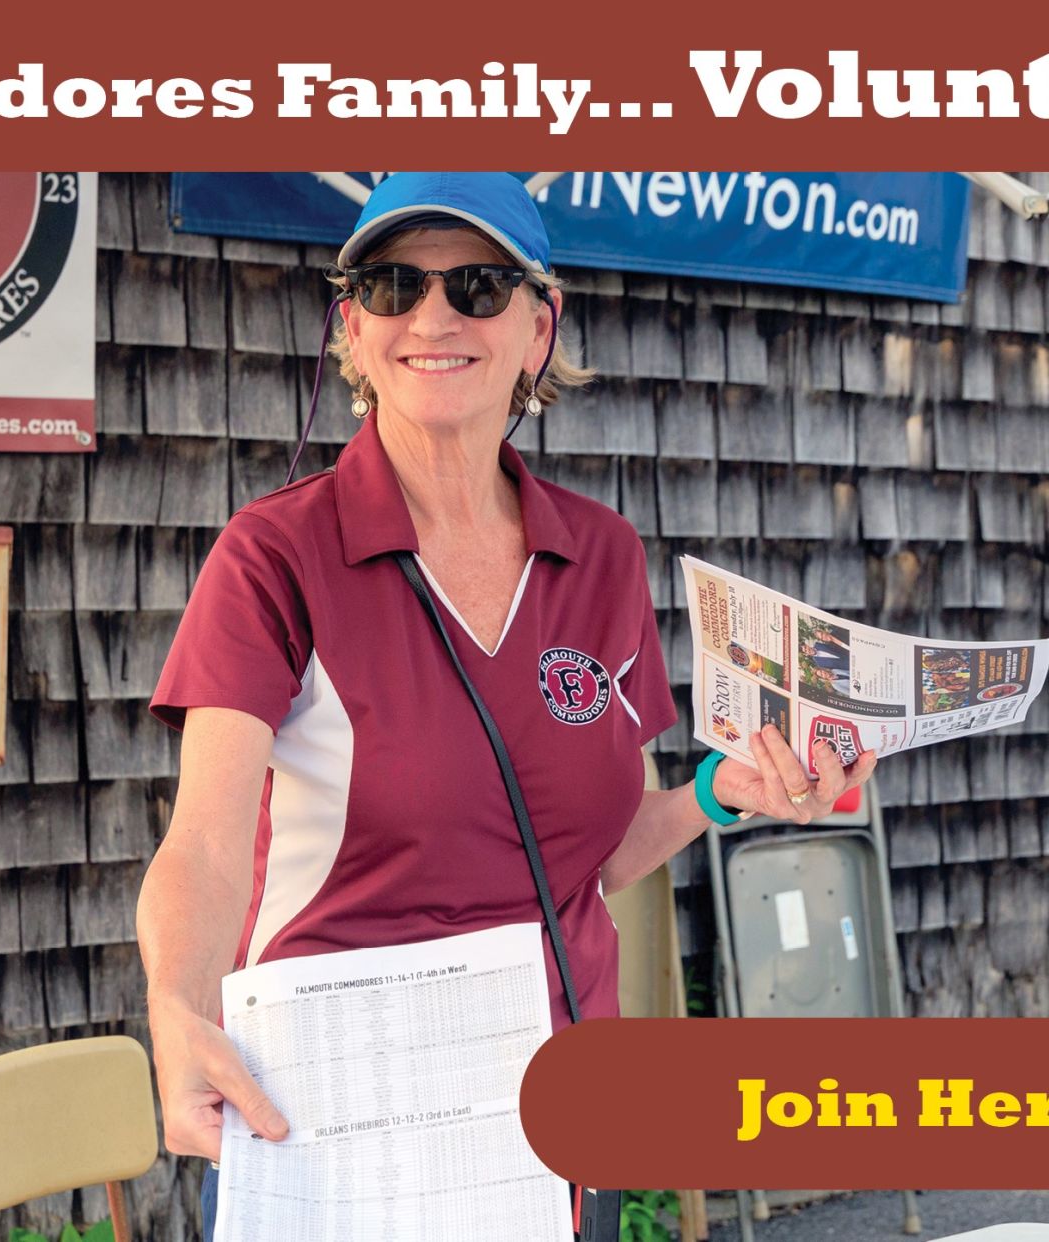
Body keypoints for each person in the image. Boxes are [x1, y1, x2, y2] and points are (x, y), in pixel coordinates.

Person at [136, 173, 878, 1232]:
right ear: (351, 329)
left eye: (478, 287)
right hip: (345, 1122)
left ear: (540, 327)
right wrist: (174, 1006)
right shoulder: (274, 556)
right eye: (393, 286)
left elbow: (596, 851)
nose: (433, 317)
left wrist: (723, 792)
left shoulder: (602, 557)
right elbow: (203, 850)